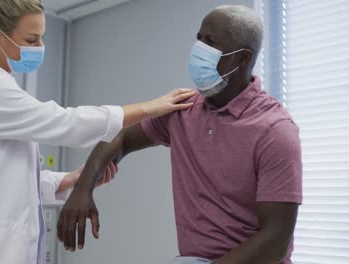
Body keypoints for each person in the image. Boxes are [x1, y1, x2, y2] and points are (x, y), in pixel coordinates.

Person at [0, 0, 197, 263]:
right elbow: (64, 122)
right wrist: (150, 107)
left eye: (42, 36)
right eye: (31, 39)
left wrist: (70, 179)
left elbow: (12, 177)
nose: (40, 46)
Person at [58, 5, 302, 264]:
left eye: (210, 42)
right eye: (199, 38)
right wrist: (82, 189)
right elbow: (120, 137)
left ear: (242, 58)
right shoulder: (185, 109)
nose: (198, 49)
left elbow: (275, 240)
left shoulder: (275, 130)